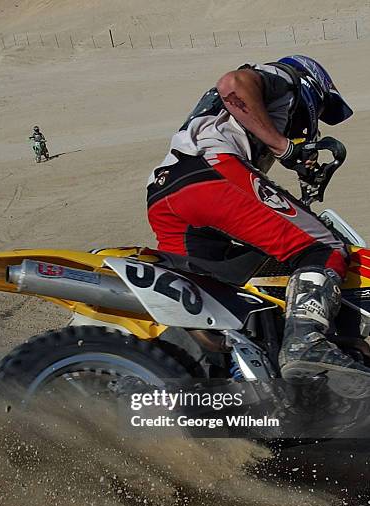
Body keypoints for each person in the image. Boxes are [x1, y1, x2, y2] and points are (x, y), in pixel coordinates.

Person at [147, 55, 370, 385]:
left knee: (219, 295)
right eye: (319, 112)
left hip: (164, 193)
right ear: (313, 90)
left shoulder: (226, 121)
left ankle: (235, 385)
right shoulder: (285, 77)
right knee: (323, 247)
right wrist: (284, 148)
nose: (311, 126)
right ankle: (305, 343)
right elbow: (232, 84)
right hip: (209, 175)